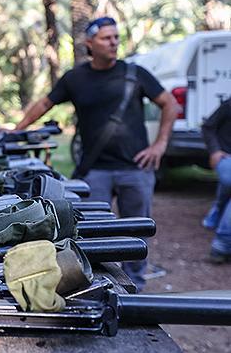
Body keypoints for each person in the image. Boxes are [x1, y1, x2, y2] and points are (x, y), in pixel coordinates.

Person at [14, 16, 178, 290]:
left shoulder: (134, 74)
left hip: (134, 170)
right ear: (90, 43)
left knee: (136, 232)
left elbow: (170, 104)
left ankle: (135, 290)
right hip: (94, 171)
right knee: (91, 234)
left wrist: (159, 145)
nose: (114, 42)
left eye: (116, 37)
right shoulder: (75, 78)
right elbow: (44, 103)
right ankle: (98, 286)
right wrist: (14, 131)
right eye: (106, 38)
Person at [201, 99, 231, 263]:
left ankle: (218, 209)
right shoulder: (229, 105)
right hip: (226, 157)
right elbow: (207, 127)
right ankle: (222, 244)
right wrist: (214, 151)